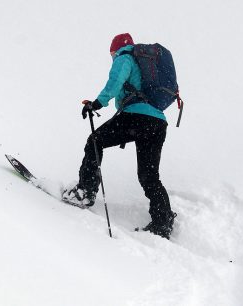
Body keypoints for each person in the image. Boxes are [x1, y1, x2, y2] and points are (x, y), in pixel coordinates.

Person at [62, 33, 177, 239]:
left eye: (111, 54)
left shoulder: (125, 57)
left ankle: (85, 192)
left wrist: (96, 103)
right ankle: (163, 221)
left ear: (115, 50)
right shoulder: (145, 66)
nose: (112, 57)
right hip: (157, 123)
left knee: (95, 141)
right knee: (149, 175)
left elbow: (115, 82)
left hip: (136, 118)